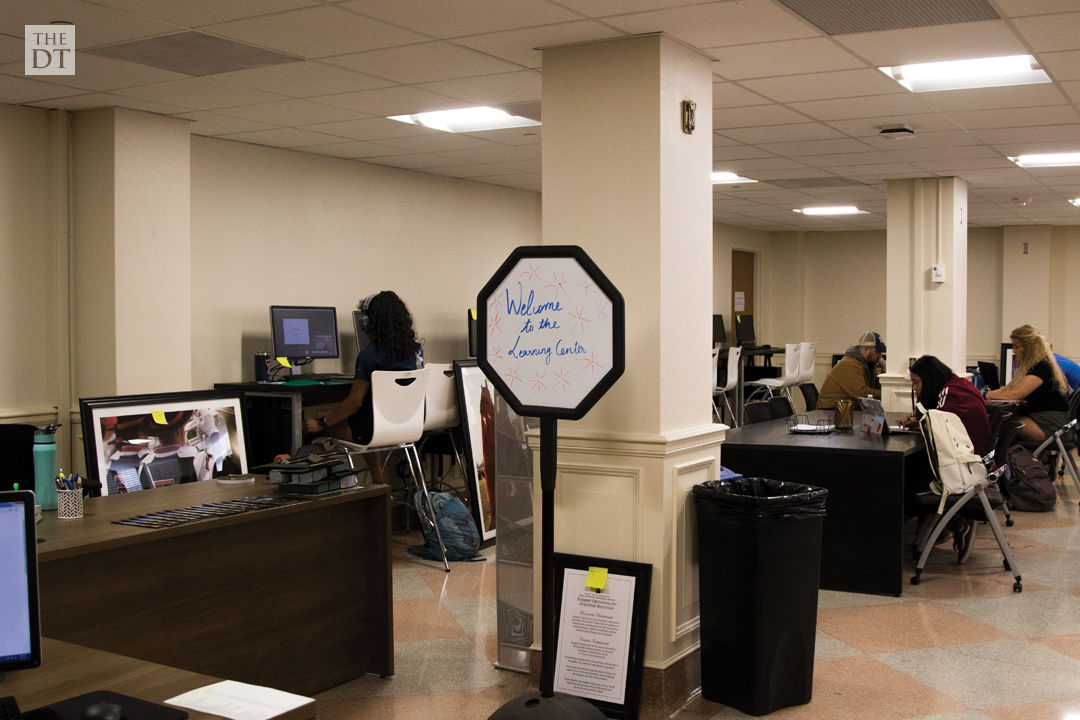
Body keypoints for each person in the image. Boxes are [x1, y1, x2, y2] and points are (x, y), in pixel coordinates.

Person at [303, 291, 422, 484]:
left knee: (311, 431)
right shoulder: (414, 353)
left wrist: (321, 423)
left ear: (370, 322)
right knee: (369, 428)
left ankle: (328, 492)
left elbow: (354, 403)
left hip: (372, 430)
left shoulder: (368, 356)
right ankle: (379, 484)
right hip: (405, 426)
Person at [904, 355, 992, 561]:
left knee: (906, 476)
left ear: (930, 378)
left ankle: (953, 524)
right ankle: (940, 525)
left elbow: (939, 432)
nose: (915, 389)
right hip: (971, 460)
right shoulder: (957, 385)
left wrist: (920, 423)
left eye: (917, 382)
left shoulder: (950, 393)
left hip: (964, 467)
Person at [985, 324, 1070, 444]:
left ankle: (1003, 460)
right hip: (1044, 420)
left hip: (1050, 426)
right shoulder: (1034, 367)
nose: (1014, 351)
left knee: (998, 422)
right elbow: (1007, 390)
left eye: (1016, 347)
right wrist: (986, 395)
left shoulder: (1042, 367)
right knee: (998, 420)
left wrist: (985, 396)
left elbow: (1015, 394)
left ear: (1029, 348)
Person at [816, 330, 886, 410]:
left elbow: (875, 387)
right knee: (877, 419)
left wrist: (884, 370)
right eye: (878, 352)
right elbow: (862, 393)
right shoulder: (850, 364)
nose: (880, 356)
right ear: (867, 349)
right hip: (830, 411)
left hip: (845, 409)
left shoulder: (867, 365)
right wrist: (886, 394)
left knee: (878, 419)